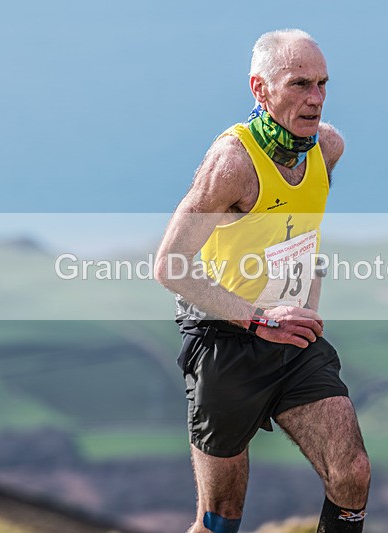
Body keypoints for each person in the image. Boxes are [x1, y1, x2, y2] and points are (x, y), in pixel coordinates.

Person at [154, 29, 370, 533]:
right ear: (260, 89)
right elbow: (170, 265)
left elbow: (304, 227)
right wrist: (258, 319)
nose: (314, 98)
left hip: (291, 337)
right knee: (220, 518)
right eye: (298, 84)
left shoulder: (328, 147)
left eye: (322, 84)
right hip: (224, 339)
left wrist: (307, 302)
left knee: (352, 474)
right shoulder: (232, 164)